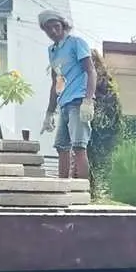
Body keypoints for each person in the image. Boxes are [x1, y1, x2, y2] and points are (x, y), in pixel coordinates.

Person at [38, 10, 96, 181]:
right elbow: (56, 81)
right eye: (49, 29)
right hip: (64, 102)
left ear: (63, 26)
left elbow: (91, 71)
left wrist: (87, 100)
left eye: (56, 26)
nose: (53, 31)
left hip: (78, 101)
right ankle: (62, 188)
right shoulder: (52, 51)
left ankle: (82, 191)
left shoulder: (76, 43)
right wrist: (49, 113)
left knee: (79, 147)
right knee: (61, 147)